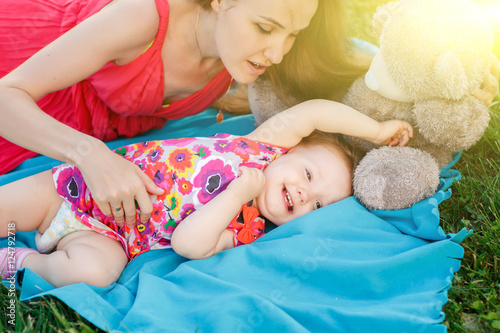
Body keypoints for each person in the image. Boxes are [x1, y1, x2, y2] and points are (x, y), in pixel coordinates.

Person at [0, 99, 413, 288]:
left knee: (95, 275)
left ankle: (24, 260)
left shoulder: (247, 228)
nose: (305, 193)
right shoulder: (259, 147)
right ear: (290, 149)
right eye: (307, 173)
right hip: (77, 188)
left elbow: (187, 243)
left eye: (318, 203)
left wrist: (235, 197)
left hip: (108, 239)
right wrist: (377, 132)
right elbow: (317, 112)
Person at [1, 0, 337, 228]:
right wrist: (90, 154)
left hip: (81, 122)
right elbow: (7, 96)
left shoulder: (237, 57)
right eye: (265, 29)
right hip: (23, 66)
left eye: (293, 34)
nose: (277, 54)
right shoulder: (141, 17)